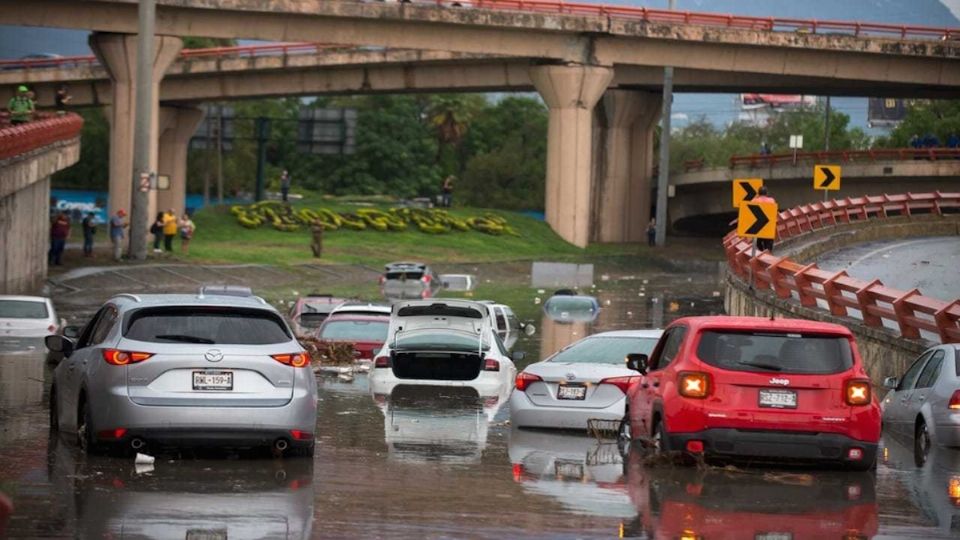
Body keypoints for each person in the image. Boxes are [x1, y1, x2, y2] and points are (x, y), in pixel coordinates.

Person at [753, 186, 777, 253]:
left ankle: (761, 255)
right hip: (769, 227)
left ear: (758, 193)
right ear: (767, 193)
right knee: (768, 247)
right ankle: (768, 256)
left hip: (758, 227)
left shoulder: (754, 201)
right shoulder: (772, 201)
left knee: (759, 244)